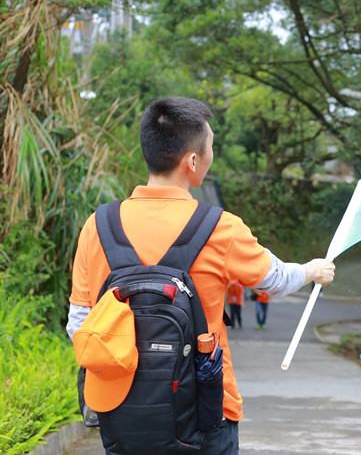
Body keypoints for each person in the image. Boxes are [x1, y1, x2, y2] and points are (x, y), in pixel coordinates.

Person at [66, 96, 335, 454]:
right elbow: (276, 280)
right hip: (205, 411)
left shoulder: (97, 226)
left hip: (121, 412)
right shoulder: (220, 227)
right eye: (210, 148)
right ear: (193, 161)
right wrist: (311, 270)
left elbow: (79, 325)